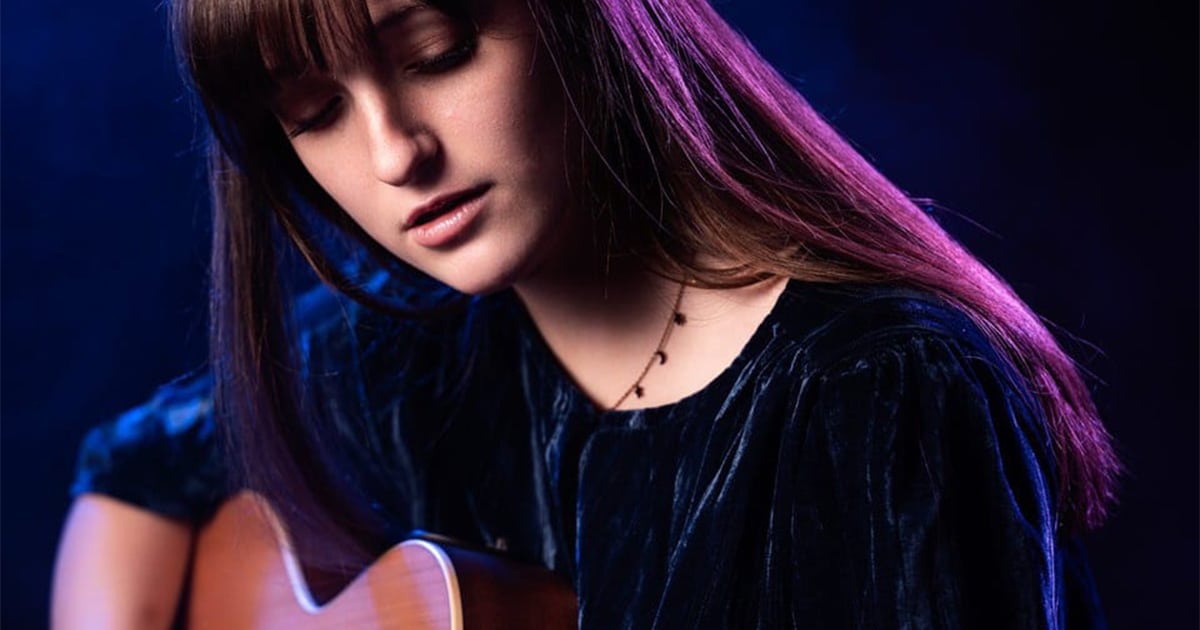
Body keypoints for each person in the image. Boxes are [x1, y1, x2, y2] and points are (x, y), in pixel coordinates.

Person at [51, 0, 1120, 627]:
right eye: (316, 114)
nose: (394, 154)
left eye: (434, 54)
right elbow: (131, 476)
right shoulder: (408, 363)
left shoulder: (886, 396)